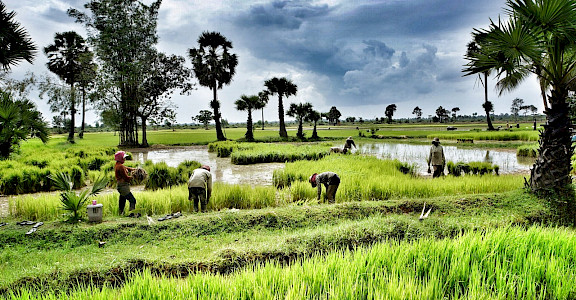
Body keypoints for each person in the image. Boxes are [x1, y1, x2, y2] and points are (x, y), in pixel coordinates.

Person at [114, 151, 138, 216]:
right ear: (120, 158)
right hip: (123, 186)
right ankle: (132, 214)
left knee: (122, 200)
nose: (125, 159)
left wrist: (134, 169)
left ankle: (120, 214)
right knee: (132, 200)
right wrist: (134, 176)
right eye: (124, 158)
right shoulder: (120, 167)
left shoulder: (118, 165)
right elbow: (126, 178)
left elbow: (127, 168)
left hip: (120, 186)